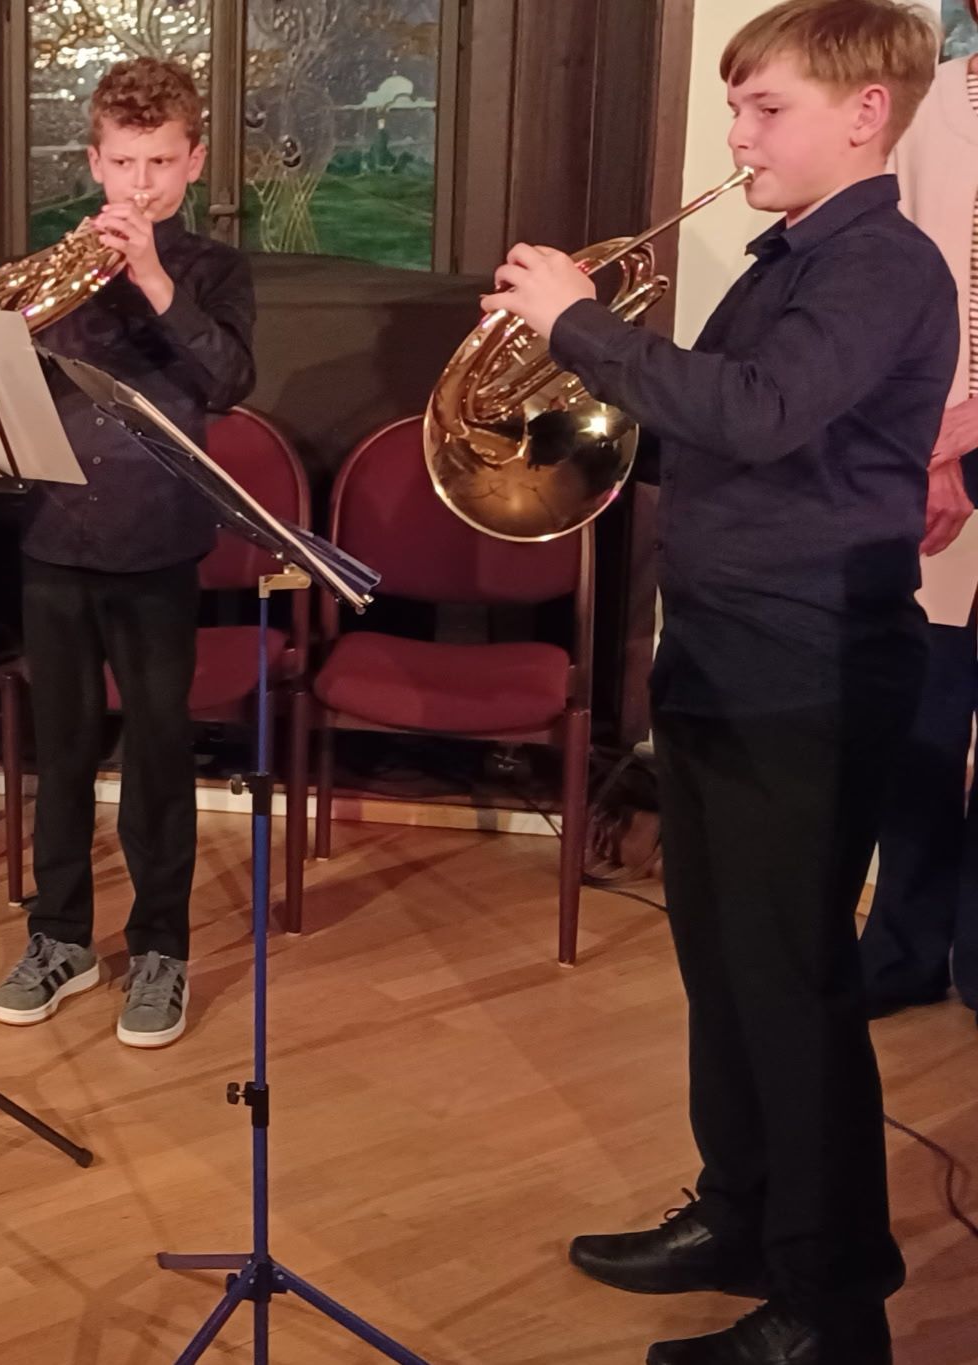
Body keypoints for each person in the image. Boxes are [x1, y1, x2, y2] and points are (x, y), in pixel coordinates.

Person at [486, 3, 955, 1360]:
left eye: (767, 110)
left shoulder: (884, 267)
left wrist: (580, 322)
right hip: (726, 648)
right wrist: (554, 371)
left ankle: (831, 1305)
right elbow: (711, 422)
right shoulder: (787, 259)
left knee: (792, 983)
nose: (739, 137)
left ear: (866, 113)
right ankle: (743, 1211)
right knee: (724, 962)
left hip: (804, 668)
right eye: (737, 109)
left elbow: (753, 410)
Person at [0, 56, 254, 1050]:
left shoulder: (214, 269)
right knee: (57, 755)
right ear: (92, 161)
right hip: (52, 537)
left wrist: (148, 277)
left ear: (191, 161)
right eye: (121, 163)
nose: (138, 185)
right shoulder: (52, 271)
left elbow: (226, 380)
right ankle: (56, 938)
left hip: (155, 545)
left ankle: (160, 950)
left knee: (154, 754)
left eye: (158, 163)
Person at [860, 0, 978, 1027]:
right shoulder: (932, 100)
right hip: (926, 435)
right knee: (920, 707)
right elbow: (898, 285)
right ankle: (900, 945)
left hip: (961, 425)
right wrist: (930, 439)